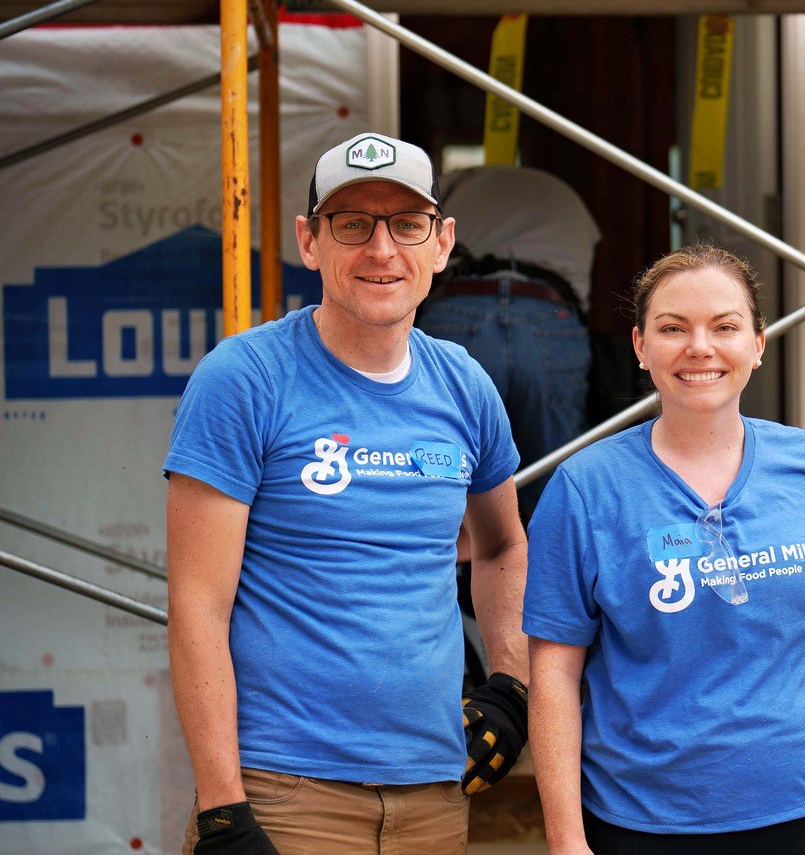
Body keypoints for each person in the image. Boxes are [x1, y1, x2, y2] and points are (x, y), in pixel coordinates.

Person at [164, 132, 531, 854]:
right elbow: (196, 603)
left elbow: (503, 543)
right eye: (352, 223)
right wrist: (222, 808)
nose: (382, 249)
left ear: (442, 242)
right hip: (285, 792)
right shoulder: (245, 378)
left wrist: (511, 682)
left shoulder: (465, 385)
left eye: (406, 223)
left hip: (433, 790)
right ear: (309, 240)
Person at [524, 245, 805, 855]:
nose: (700, 347)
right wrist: (566, 839)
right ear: (641, 347)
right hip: (639, 820)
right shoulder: (586, 487)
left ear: (758, 343)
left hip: (797, 809)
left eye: (725, 327)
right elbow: (554, 673)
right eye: (673, 328)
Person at [417, 165, 600, 519]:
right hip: (548, 309)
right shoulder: (562, 193)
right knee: (555, 469)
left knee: (443, 464)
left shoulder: (452, 190)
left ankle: (447, 567)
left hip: (460, 304)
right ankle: (551, 568)